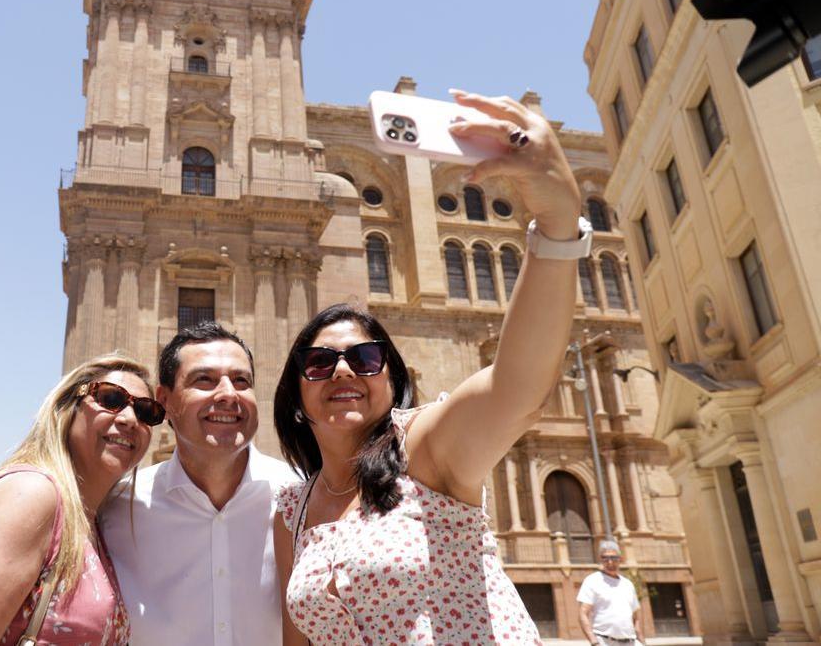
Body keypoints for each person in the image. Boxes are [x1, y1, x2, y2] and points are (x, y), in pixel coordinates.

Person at [272, 89, 590, 644]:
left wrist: (558, 225)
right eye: (320, 363)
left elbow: (517, 390)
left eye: (365, 358)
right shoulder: (292, 511)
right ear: (296, 397)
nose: (343, 372)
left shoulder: (424, 450)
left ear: (391, 380)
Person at [0, 354, 163, 646]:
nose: (130, 419)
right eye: (110, 398)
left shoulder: (92, 522)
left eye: (146, 412)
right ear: (66, 407)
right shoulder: (30, 495)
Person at [98, 323, 300, 645]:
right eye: (203, 380)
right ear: (164, 401)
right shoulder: (117, 508)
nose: (228, 395)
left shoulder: (300, 502)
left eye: (241, 381)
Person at [578, 541, 645, 646]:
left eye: (613, 558)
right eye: (605, 559)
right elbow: (583, 613)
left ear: (620, 559)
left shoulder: (628, 584)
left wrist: (642, 641)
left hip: (631, 641)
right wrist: (594, 642)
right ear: (601, 560)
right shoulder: (592, 581)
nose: (610, 562)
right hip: (605, 641)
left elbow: (636, 618)